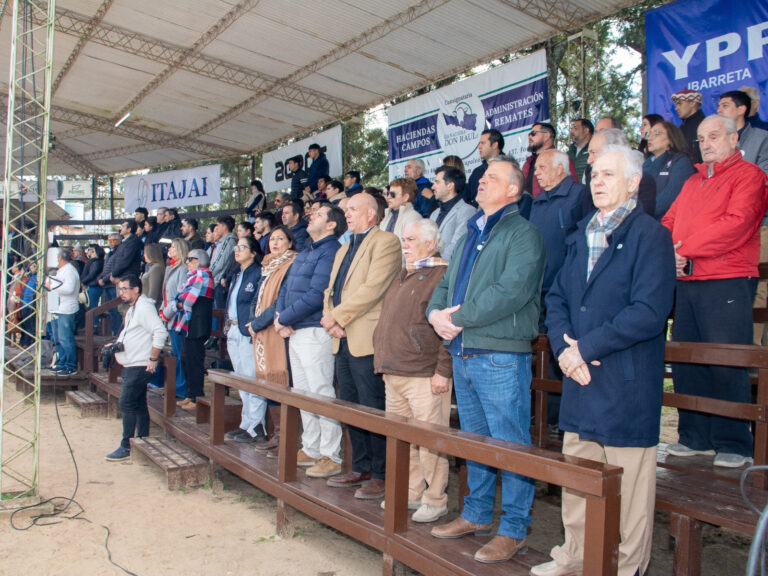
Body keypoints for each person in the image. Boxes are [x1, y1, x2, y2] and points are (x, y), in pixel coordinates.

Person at [533, 146, 676, 576]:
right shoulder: (580, 234)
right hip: (580, 378)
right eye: (594, 174)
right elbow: (556, 298)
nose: (596, 181)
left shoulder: (651, 235)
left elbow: (650, 311)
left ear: (633, 182)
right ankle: (574, 555)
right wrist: (563, 350)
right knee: (579, 478)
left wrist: (585, 348)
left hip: (624, 381)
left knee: (629, 488)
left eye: (608, 174)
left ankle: (628, 567)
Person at [426, 155, 545, 564]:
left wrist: (455, 317)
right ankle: (475, 514)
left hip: (500, 355)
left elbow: (510, 292)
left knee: (510, 445)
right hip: (464, 351)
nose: (482, 182)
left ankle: (513, 528)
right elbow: (446, 283)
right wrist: (434, 314)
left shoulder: (523, 234)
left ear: (514, 189)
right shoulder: (469, 232)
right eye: (482, 177)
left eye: (492, 178)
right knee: (474, 442)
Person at [662, 115, 768, 468]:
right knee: (687, 361)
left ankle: (735, 444)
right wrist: (670, 252)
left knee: (725, 361)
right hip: (687, 282)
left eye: (715, 136)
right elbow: (668, 221)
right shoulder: (692, 182)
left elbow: (736, 225)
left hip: (727, 279)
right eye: (702, 138)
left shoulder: (751, 176)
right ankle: (694, 437)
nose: (706, 143)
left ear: (734, 139)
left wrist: (683, 249)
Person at [322, 192, 402, 499]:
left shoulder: (386, 242)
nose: (347, 214)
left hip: (365, 336)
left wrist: (337, 317)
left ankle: (382, 474)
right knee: (350, 404)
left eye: (353, 209)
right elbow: (331, 289)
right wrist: (329, 317)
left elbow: (374, 288)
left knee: (372, 406)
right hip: (341, 336)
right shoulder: (343, 247)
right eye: (345, 210)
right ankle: (361, 466)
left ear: (371, 214)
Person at [373, 219, 452, 523]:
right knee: (403, 439)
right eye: (403, 239)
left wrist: (443, 371)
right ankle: (411, 492)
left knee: (430, 441)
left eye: (411, 239)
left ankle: (436, 499)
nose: (404, 244)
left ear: (430, 244)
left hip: (424, 374)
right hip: (394, 371)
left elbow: (449, 329)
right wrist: (381, 360)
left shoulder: (441, 275)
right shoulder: (404, 274)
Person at [274, 204, 346, 477]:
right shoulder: (308, 249)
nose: (310, 216)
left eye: (317, 215)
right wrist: (281, 317)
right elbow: (286, 287)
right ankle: (312, 448)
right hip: (295, 330)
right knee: (303, 391)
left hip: (315, 330)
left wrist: (285, 319)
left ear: (331, 225)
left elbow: (318, 293)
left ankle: (331, 454)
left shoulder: (330, 251)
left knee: (320, 391)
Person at [105, 275, 169, 462]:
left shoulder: (144, 308)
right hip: (132, 361)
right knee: (139, 402)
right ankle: (142, 439)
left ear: (136, 289)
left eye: (125, 288)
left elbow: (160, 331)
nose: (121, 293)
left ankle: (127, 445)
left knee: (126, 402)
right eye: (120, 289)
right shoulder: (135, 308)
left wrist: (153, 358)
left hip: (140, 363)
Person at [248, 226, 298, 455]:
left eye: (280, 238)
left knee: (282, 382)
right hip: (261, 333)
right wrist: (252, 321)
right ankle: (277, 432)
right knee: (268, 382)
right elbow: (256, 299)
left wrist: (257, 323)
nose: (275, 242)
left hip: (278, 332)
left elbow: (280, 301)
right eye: (272, 239)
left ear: (290, 242)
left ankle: (287, 437)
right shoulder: (266, 265)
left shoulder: (292, 264)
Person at [529, 149, 588, 317]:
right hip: (538, 286)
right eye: (535, 169)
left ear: (560, 168)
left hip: (564, 286)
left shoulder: (580, 194)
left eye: (542, 167)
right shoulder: (538, 201)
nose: (537, 173)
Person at [224, 235, 266, 444]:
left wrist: (252, 324)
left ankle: (256, 427)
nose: (237, 250)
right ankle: (246, 424)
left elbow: (257, 303)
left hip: (248, 332)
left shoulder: (257, 273)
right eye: (236, 247)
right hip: (232, 329)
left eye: (243, 247)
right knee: (241, 379)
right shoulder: (237, 274)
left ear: (253, 252)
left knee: (251, 377)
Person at [172, 249, 214, 408]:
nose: (187, 262)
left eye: (191, 259)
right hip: (189, 323)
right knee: (185, 358)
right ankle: (190, 394)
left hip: (197, 324)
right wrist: (179, 300)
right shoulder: (192, 276)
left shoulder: (203, 275)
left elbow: (185, 300)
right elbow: (180, 298)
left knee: (194, 360)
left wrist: (179, 301)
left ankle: (197, 396)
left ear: (200, 260)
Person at [586, 128, 656, 217]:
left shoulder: (643, 181)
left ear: (614, 150)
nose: (589, 160)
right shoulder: (590, 176)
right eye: (595, 176)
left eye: (593, 153)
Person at [642, 121, 696, 220]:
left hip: (665, 224)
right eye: (649, 134)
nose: (650, 137)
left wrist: (640, 215)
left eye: (657, 133)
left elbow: (668, 199)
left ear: (671, 139)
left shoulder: (681, 163)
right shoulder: (645, 164)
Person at [159, 238, 189, 400]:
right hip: (168, 315)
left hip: (178, 318)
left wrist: (167, 312)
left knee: (179, 354)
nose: (169, 249)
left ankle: (181, 389)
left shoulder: (183, 269)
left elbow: (180, 296)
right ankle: (176, 386)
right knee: (174, 353)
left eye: (173, 247)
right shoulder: (170, 267)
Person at [47, 247, 81, 376]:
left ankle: (71, 365)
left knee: (65, 338)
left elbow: (69, 289)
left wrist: (52, 287)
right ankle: (62, 361)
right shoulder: (60, 271)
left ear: (59, 258)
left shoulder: (70, 271)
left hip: (66, 309)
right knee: (58, 338)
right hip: (57, 307)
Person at [430, 166, 476, 262]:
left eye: (437, 182)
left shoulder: (467, 211)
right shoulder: (434, 213)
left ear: (450, 186)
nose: (432, 187)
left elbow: (457, 247)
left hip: (448, 271)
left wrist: (433, 264)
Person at [522, 123, 577, 202]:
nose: (529, 136)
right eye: (529, 134)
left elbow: (572, 190)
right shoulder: (528, 162)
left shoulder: (560, 158)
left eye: (533, 133)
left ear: (547, 136)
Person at [718, 90, 768, 176]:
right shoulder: (716, 141)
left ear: (741, 110)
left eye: (725, 106)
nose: (719, 110)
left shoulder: (762, 138)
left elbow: (764, 176)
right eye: (718, 107)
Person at [465, 129, 504, 207]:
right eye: (479, 143)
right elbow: (467, 199)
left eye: (483, 143)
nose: (479, 147)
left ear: (494, 145)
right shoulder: (477, 172)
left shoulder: (508, 168)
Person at [379, 178, 422, 243]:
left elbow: (411, 247)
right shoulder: (387, 216)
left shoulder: (414, 218)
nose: (388, 197)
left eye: (392, 194)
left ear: (405, 197)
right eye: (388, 193)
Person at [98, 233, 123, 336]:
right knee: (111, 311)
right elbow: (106, 269)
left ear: (119, 241)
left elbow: (114, 269)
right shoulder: (109, 253)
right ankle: (114, 332)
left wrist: (103, 279)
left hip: (113, 284)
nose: (111, 243)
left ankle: (118, 333)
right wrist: (100, 278)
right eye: (109, 241)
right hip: (107, 285)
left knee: (117, 310)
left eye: (113, 240)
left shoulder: (120, 251)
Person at [671, 88, 704, 163]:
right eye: (676, 104)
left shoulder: (705, 125)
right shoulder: (680, 129)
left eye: (680, 103)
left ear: (692, 103)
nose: (676, 108)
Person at [81, 244, 105, 322]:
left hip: (94, 286)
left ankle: (94, 323)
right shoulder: (92, 261)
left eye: (91, 250)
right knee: (90, 305)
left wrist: (83, 281)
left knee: (93, 306)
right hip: (91, 285)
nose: (89, 252)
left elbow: (92, 274)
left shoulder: (96, 262)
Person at [567, 118, 593, 182]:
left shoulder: (594, 150)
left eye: (575, 128)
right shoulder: (569, 153)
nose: (572, 131)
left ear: (586, 130)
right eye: (572, 128)